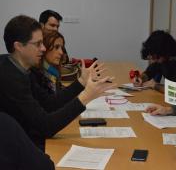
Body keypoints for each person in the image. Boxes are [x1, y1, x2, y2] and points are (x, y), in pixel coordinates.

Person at [0, 15, 115, 151]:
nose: (43, 48)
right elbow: (46, 127)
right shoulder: (10, 79)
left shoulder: (21, 68)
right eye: (38, 44)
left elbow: (50, 103)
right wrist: (86, 97)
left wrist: (81, 81)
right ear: (18, 46)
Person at [31, 29, 65, 94]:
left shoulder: (53, 71)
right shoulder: (36, 76)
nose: (61, 52)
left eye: (62, 48)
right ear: (45, 47)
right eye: (56, 47)